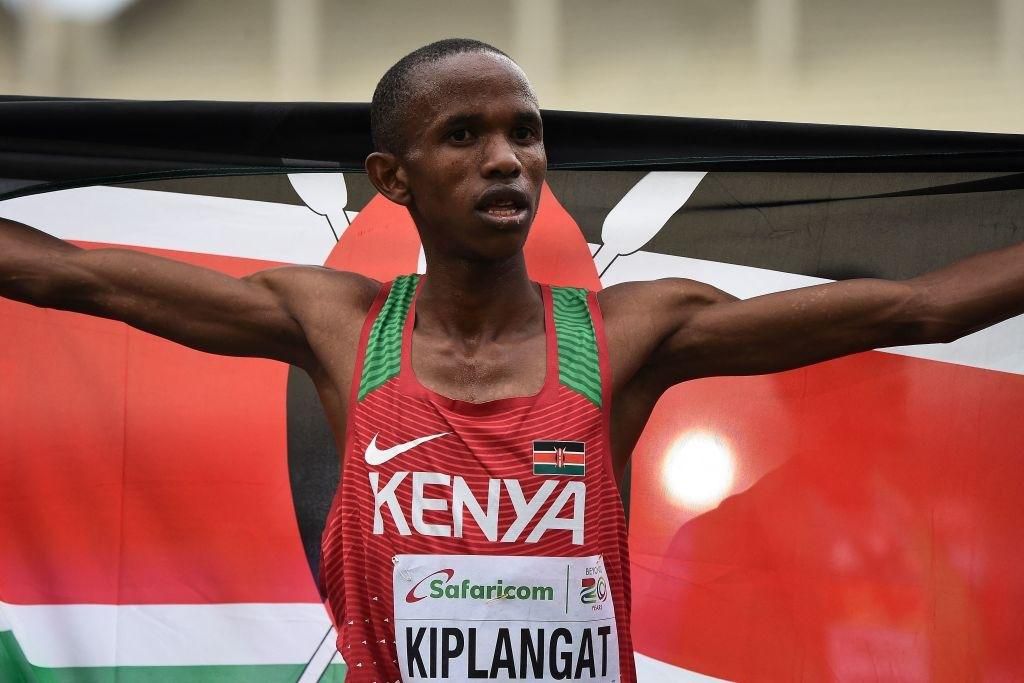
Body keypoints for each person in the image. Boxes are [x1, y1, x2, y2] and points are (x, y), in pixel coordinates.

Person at [1, 38, 1021, 682]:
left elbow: (919, 308)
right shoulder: (337, 324)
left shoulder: (626, 333)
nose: (505, 158)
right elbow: (74, 278)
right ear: (391, 177)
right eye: (464, 134)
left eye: (525, 134)